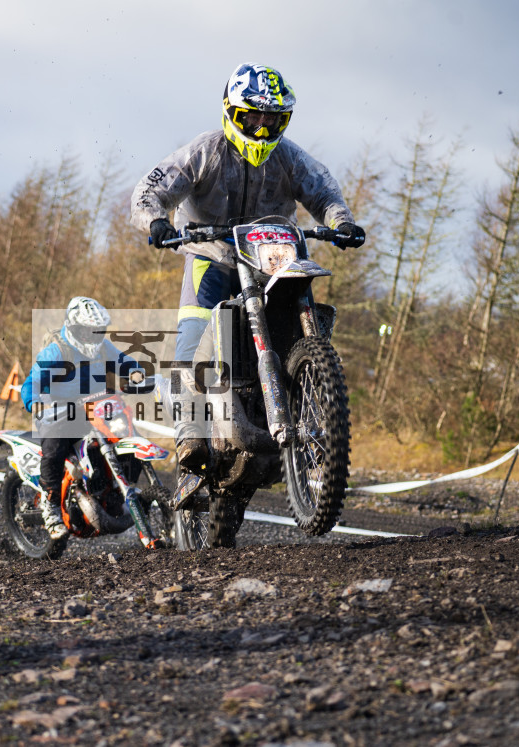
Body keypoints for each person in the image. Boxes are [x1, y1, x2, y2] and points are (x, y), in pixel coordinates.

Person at [130, 62, 366, 471]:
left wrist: (341, 222)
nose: (260, 128)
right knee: (189, 349)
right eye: (251, 117)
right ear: (230, 113)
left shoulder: (289, 158)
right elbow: (153, 186)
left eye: (270, 119)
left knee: (300, 326)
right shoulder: (205, 151)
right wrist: (155, 220)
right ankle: (190, 436)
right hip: (213, 259)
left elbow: (324, 191)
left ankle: (308, 394)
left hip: (274, 263)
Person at [20, 297, 164, 548]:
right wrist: (36, 402)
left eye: (96, 331)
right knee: (54, 449)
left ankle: (114, 494)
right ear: (73, 327)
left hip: (97, 410)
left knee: (128, 434)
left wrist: (137, 373)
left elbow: (125, 362)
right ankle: (51, 507)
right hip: (62, 413)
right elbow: (32, 380)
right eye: (86, 331)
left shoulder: (103, 347)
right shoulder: (57, 350)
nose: (91, 336)